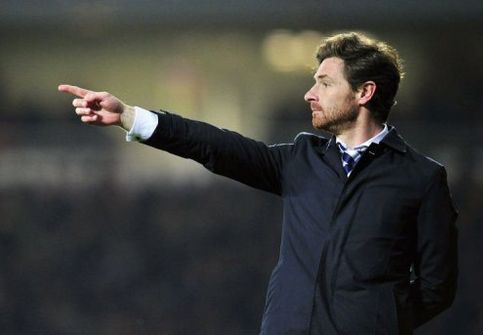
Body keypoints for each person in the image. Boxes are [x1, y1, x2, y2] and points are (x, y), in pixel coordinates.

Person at [59, 32, 458, 335]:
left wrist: (374, 318)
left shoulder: (420, 178)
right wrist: (131, 115)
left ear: (364, 92)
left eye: (324, 83)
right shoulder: (303, 159)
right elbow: (217, 146)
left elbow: (437, 288)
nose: (309, 94)